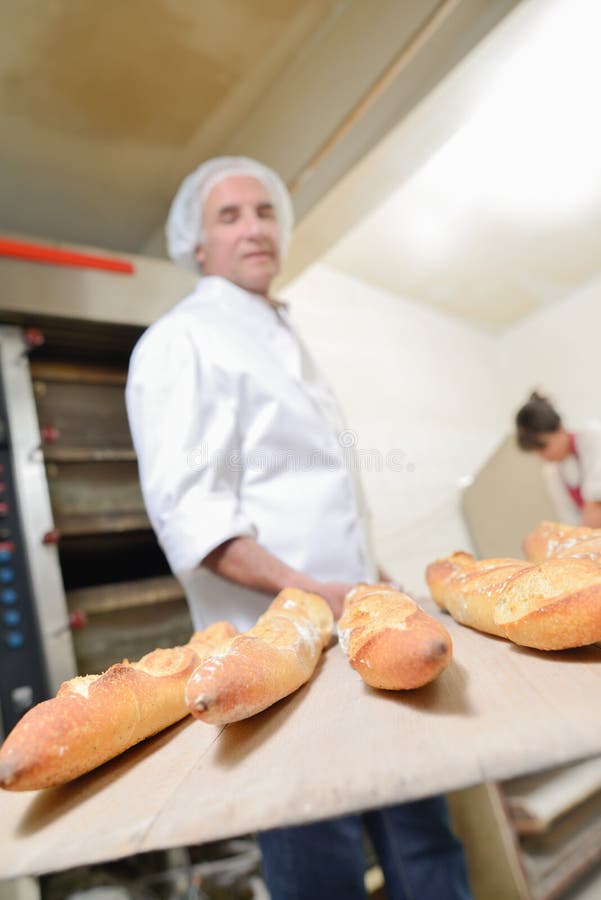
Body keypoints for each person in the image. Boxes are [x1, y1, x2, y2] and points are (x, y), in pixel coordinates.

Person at [126, 156, 472, 899]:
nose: (254, 227)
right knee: (321, 871)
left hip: (361, 635)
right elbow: (195, 517)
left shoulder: (282, 339)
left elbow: (321, 498)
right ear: (194, 241)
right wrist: (312, 592)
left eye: (264, 211)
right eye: (229, 216)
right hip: (276, 666)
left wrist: (367, 581)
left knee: (424, 842)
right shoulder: (182, 342)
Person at [516, 391, 601, 527]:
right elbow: (571, 522)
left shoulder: (594, 437)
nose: (541, 456)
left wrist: (579, 542)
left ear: (560, 429)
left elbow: (597, 505)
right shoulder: (552, 472)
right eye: (535, 451)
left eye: (543, 446)